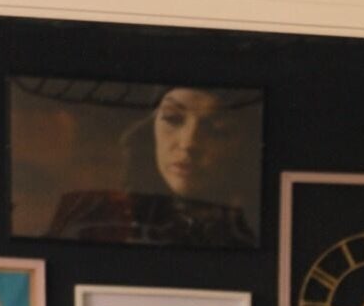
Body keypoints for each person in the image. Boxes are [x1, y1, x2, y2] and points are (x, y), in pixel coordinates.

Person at [49, 86, 258, 247]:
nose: (188, 143)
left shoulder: (252, 232)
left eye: (217, 129)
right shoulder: (98, 216)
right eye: (172, 119)